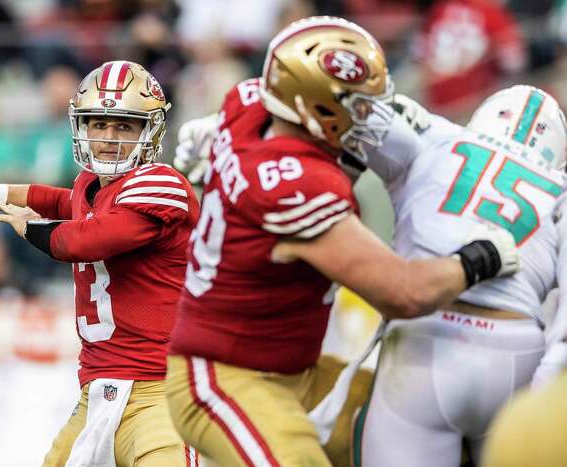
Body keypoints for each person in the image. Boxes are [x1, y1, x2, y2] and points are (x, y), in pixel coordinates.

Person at [165, 16, 518, 467]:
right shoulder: (296, 186)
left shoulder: (250, 106)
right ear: (314, 108)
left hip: (297, 372)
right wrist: (477, 260)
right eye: (360, 104)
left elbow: (242, 125)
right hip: (224, 377)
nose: (373, 116)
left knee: (412, 426)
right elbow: (403, 293)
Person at [0, 60, 201, 467]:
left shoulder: (161, 184)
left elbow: (85, 239)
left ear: (150, 131)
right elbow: (58, 199)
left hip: (159, 393)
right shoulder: (91, 186)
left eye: (124, 126)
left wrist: (30, 230)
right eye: (98, 124)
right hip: (96, 393)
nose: (108, 137)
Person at [351, 86, 567, 467]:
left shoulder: (437, 136)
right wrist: (546, 387)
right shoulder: (560, 191)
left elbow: (346, 118)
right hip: (515, 353)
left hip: (424, 340)